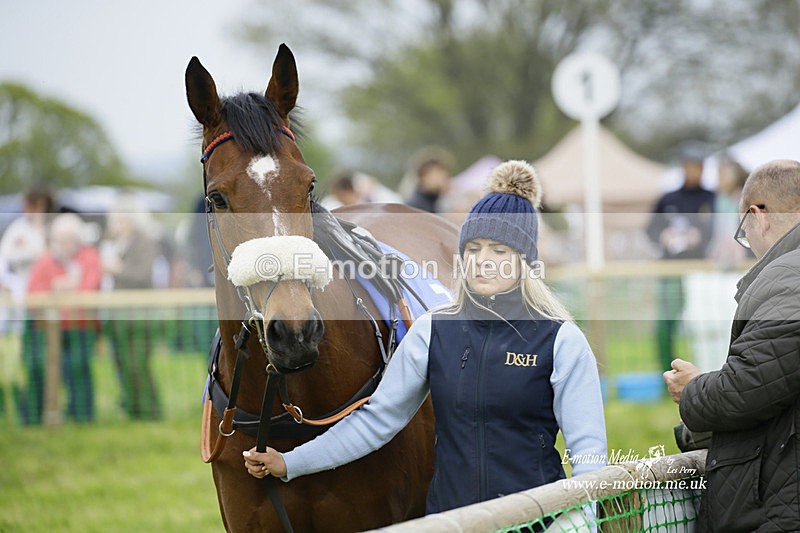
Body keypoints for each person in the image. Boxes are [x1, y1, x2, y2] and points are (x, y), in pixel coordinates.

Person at [243, 160, 607, 514]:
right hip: (453, 524)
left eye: (499, 250)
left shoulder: (561, 341)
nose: (483, 261)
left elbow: (589, 458)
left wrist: (578, 523)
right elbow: (377, 420)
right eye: (474, 248)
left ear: (525, 261)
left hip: (538, 524)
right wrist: (290, 463)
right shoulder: (433, 330)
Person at [663, 159, 800, 531]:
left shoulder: (790, 276)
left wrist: (692, 390)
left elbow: (747, 387)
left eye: (744, 230)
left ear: (758, 216)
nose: (748, 243)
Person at [24, 213, 101, 423]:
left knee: (78, 369)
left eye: (68, 239)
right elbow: (33, 292)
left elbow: (90, 290)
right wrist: (57, 288)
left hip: (80, 326)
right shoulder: (45, 260)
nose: (64, 244)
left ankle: (83, 417)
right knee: (39, 369)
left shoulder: (89, 257)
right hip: (48, 328)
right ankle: (35, 418)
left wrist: (63, 292)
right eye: (60, 239)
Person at [646, 145, 715, 371]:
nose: (694, 171)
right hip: (670, 269)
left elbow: (717, 230)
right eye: (689, 167)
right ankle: (666, 372)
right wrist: (663, 237)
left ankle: (705, 370)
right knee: (666, 323)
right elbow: (650, 228)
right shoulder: (668, 198)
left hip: (700, 269)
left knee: (703, 323)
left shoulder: (711, 198)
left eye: (698, 167)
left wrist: (700, 237)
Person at [101, 204, 162, 420]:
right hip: (118, 314)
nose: (115, 225)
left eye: (119, 220)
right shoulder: (113, 244)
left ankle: (150, 412)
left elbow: (143, 275)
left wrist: (117, 269)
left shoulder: (145, 242)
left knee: (138, 364)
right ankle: (132, 409)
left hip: (139, 315)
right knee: (122, 364)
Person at [404, 148, 453, 213]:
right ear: (423, 175)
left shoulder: (435, 202)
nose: (443, 180)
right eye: (437, 175)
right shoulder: (415, 206)